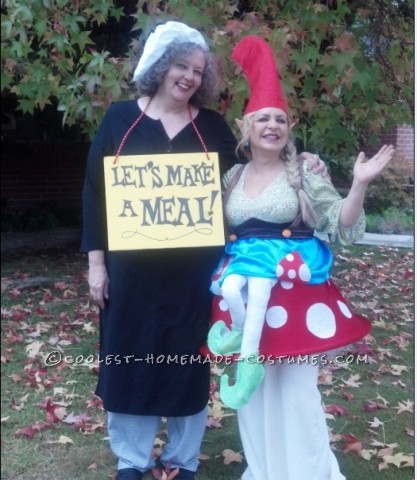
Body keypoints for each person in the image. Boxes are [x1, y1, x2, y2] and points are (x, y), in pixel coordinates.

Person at [81, 21, 327, 480]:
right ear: (159, 67)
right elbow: (95, 193)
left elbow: (259, 167)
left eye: (198, 70)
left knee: (188, 362)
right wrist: (97, 265)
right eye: (181, 65)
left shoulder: (211, 127)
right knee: (129, 360)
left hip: (196, 274)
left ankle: (182, 459)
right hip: (131, 273)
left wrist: (303, 161)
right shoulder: (119, 119)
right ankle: (132, 460)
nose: (190, 77)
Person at [206, 35, 394, 479]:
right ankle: (265, 471)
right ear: (247, 127)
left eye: (281, 120)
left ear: (288, 129)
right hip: (244, 297)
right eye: (264, 119)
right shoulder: (232, 175)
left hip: (293, 301)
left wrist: (360, 185)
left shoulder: (304, 172)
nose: (273, 126)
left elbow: (342, 226)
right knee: (253, 394)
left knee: (295, 393)